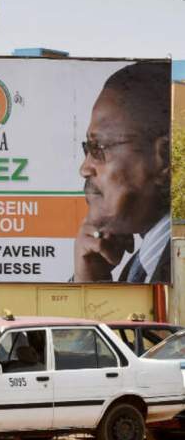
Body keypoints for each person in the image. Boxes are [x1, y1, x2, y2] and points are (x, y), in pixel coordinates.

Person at [73, 61, 171, 283]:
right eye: (87, 149)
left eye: (98, 147)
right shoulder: (143, 264)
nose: (84, 168)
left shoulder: (174, 265)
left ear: (164, 157)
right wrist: (91, 284)